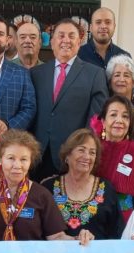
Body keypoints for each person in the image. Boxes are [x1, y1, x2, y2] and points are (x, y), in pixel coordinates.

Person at [30, 18, 108, 180]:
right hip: (38, 155)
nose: (66, 40)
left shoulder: (95, 74)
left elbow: (96, 119)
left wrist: (82, 151)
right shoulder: (36, 73)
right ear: (52, 42)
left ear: (79, 42)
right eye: (61, 35)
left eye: (71, 36)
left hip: (72, 156)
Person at [42, 128, 123, 240]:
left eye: (92, 152)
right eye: (81, 150)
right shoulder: (48, 187)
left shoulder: (106, 189)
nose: (87, 157)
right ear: (67, 155)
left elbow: (116, 232)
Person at [94, 95, 134, 221]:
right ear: (103, 121)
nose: (119, 120)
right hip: (92, 215)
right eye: (113, 115)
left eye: (125, 116)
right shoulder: (92, 147)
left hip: (124, 219)